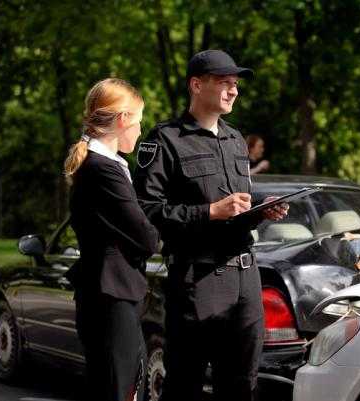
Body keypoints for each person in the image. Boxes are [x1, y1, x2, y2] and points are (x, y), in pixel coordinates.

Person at [133, 50, 287, 401]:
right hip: (197, 280)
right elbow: (147, 209)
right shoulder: (164, 140)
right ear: (196, 85)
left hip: (246, 279)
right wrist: (208, 212)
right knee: (184, 384)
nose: (233, 91)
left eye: (235, 84)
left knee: (242, 384)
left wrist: (261, 209)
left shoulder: (235, 139)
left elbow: (238, 203)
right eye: (224, 83)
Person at [63, 78, 159, 401]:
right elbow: (147, 238)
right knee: (122, 389)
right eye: (138, 122)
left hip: (108, 294)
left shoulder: (100, 165)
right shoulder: (102, 169)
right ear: (122, 120)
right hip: (111, 297)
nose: (140, 131)